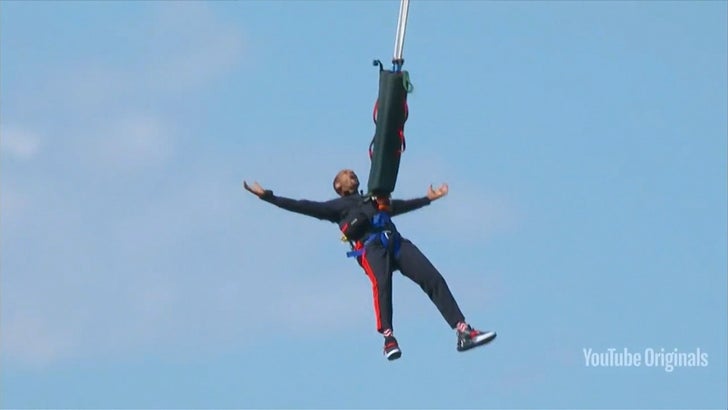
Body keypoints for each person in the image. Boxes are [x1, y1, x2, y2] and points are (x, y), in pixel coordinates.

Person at [243, 169, 496, 360]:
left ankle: (463, 331)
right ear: (339, 187)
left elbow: (398, 206)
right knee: (383, 287)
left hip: (395, 241)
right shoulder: (337, 207)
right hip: (371, 248)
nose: (350, 173)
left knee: (433, 278)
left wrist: (428, 199)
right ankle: (388, 338)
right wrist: (269, 197)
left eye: (352, 172)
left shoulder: (374, 200)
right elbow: (303, 207)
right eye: (345, 175)